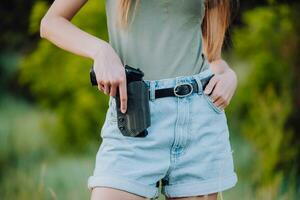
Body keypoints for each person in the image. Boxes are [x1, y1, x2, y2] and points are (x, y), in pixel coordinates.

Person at [40, 0, 238, 199]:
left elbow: (213, 57)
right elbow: (51, 22)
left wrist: (229, 75)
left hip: (199, 119)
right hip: (134, 117)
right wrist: (101, 51)